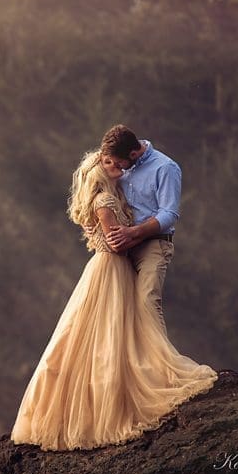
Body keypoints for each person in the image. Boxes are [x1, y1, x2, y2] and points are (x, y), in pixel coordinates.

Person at [9, 148, 218, 451]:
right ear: (99, 171)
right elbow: (114, 243)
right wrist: (132, 237)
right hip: (111, 268)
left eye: (114, 160)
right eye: (107, 163)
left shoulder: (105, 198)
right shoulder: (105, 201)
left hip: (104, 267)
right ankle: (132, 383)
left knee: (93, 334)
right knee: (108, 331)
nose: (115, 165)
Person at [101, 124, 180, 333]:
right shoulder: (120, 166)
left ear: (134, 153)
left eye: (119, 163)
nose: (116, 167)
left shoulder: (165, 168)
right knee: (119, 308)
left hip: (154, 244)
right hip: (123, 247)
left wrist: (133, 232)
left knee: (147, 302)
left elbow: (169, 214)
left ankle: (163, 363)